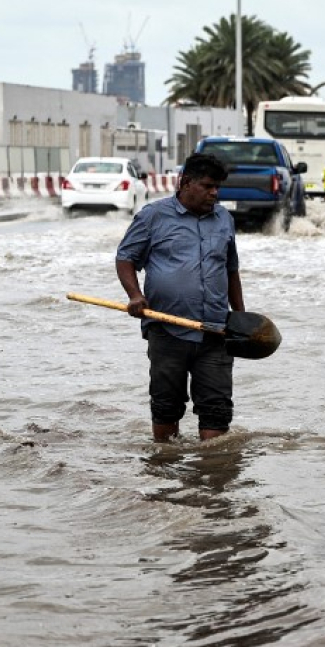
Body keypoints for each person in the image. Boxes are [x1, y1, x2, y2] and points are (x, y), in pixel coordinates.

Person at [115, 152, 245, 442]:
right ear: (186, 183)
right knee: (166, 407)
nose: (215, 193)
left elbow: (231, 270)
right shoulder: (153, 216)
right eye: (208, 186)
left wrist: (240, 317)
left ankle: (211, 479)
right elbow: (125, 258)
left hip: (215, 332)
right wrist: (135, 296)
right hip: (167, 330)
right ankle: (166, 475)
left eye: (217, 188)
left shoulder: (224, 218)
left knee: (217, 411)